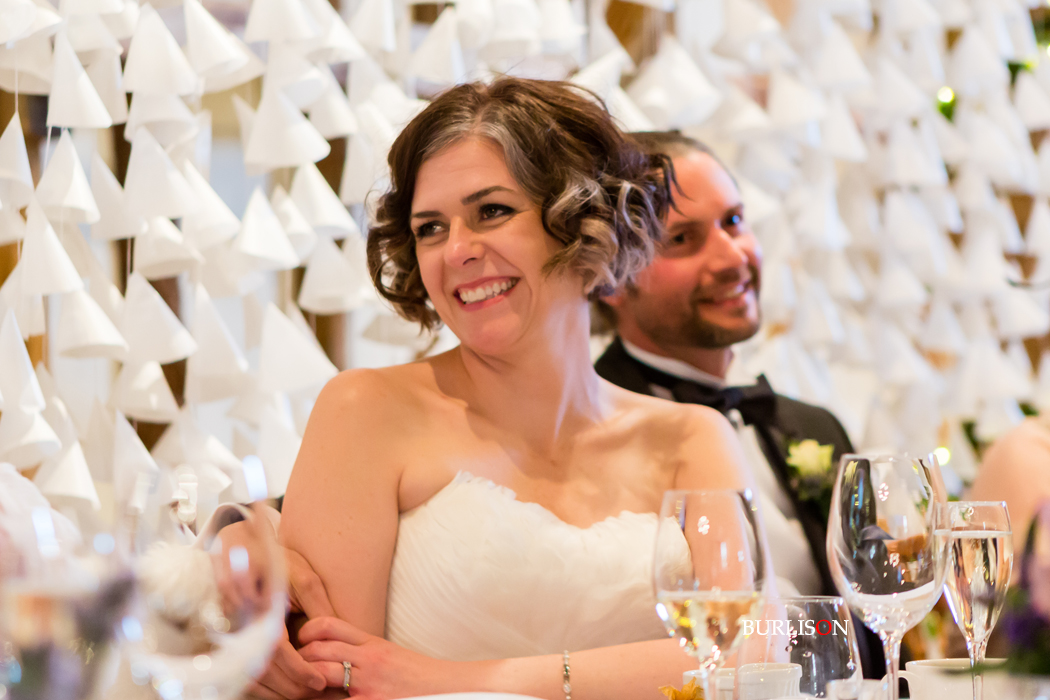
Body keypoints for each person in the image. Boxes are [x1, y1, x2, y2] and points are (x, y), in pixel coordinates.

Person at [252, 79, 765, 700]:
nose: (458, 251)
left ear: (585, 225)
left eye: (491, 211)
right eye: (431, 228)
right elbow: (326, 680)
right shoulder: (365, 412)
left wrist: (472, 684)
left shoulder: (691, 438)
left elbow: (750, 659)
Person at [593, 131, 884, 677]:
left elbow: (874, 620)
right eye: (682, 238)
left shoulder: (811, 426)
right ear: (610, 278)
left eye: (733, 221)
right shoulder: (589, 429)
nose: (732, 257)